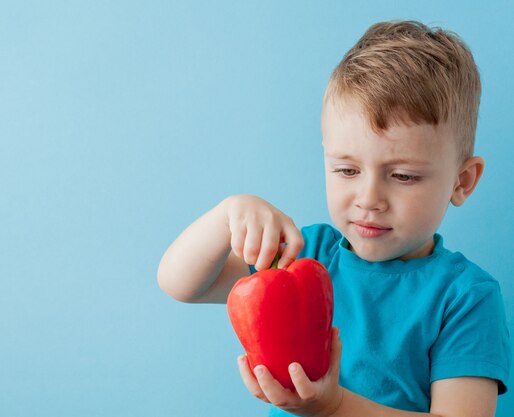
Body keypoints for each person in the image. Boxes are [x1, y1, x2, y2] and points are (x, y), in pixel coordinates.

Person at [157, 20, 511, 417]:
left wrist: (334, 406)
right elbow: (179, 284)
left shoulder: (467, 297)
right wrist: (226, 215)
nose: (369, 199)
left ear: (461, 182)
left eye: (404, 176)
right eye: (347, 171)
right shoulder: (301, 255)